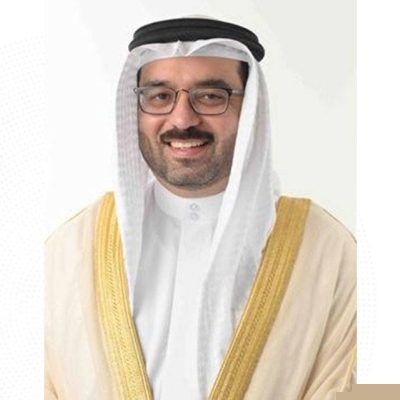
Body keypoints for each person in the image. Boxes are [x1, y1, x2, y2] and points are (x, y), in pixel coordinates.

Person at [45, 17, 356, 400]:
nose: (182, 119)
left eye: (210, 96)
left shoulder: (328, 251)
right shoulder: (70, 250)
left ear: (251, 109)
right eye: (160, 96)